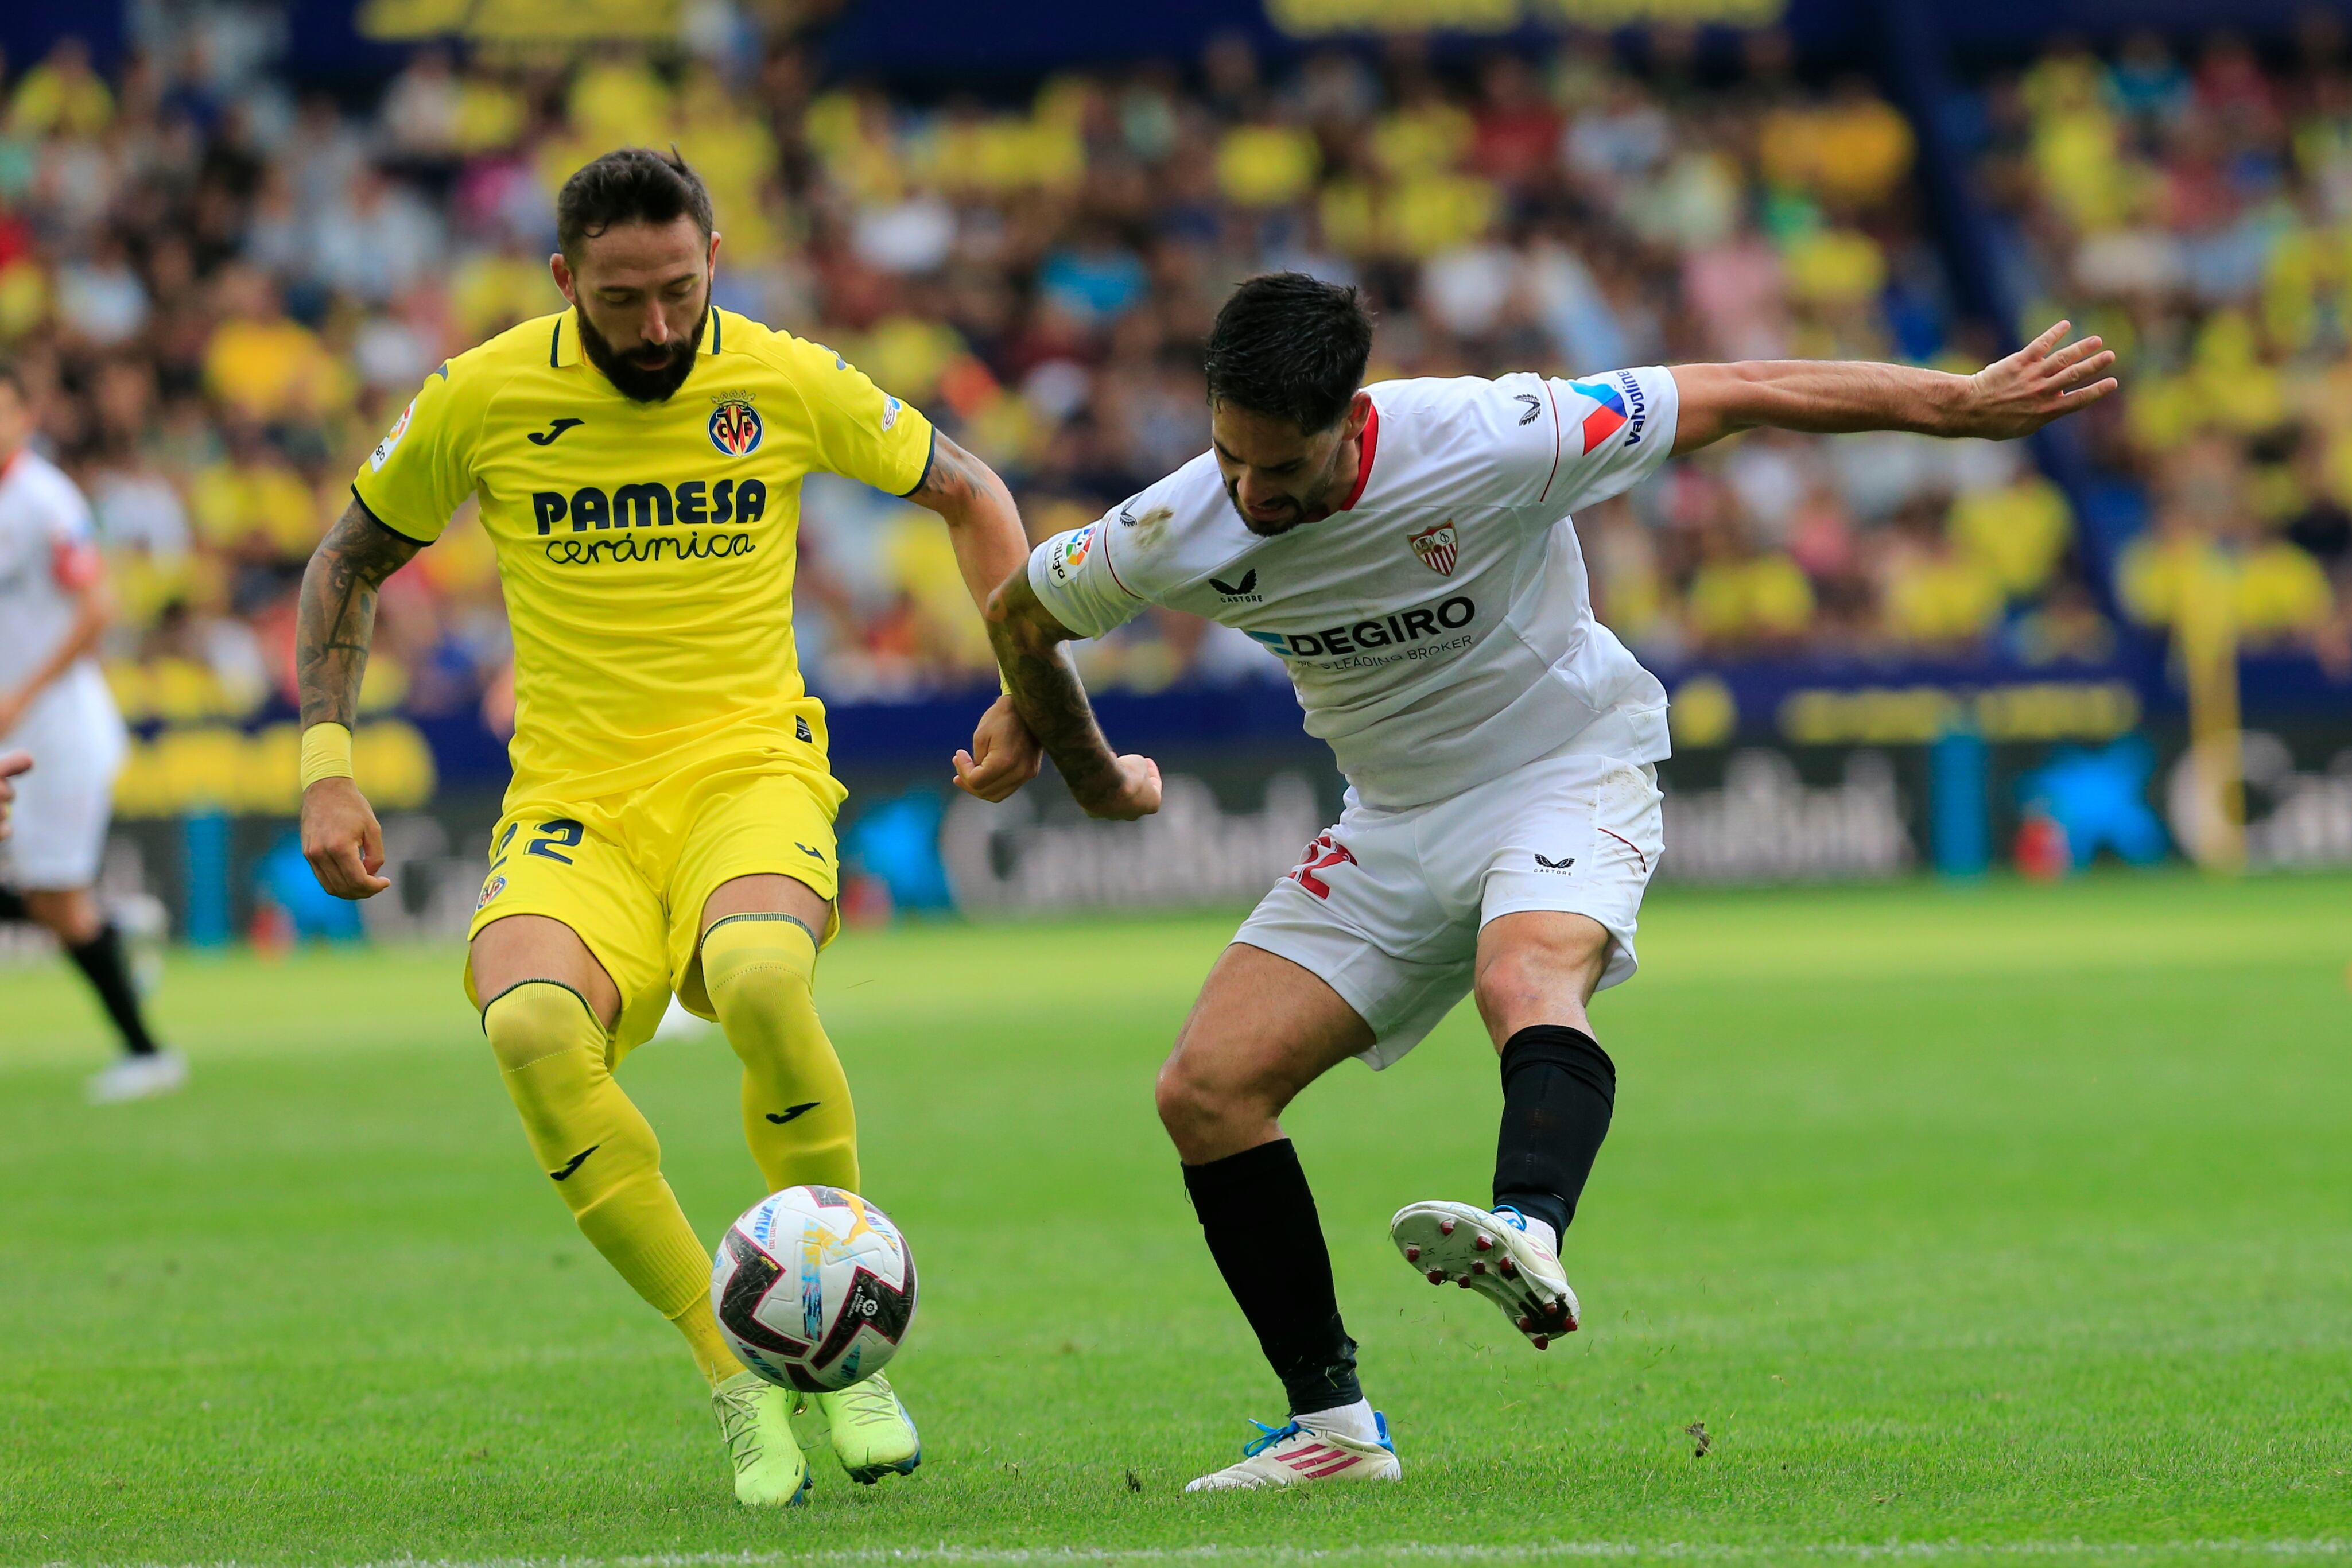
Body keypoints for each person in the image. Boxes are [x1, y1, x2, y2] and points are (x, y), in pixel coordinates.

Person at [983, 273, 2118, 1492]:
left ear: (1351, 421)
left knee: (1519, 971)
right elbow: (1021, 614)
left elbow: (1745, 387)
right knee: (1205, 1091)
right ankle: (1338, 1431)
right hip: (1396, 820)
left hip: (1565, 766)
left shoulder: (1494, 435)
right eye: (1228, 456)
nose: (1251, 493)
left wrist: (1957, 407)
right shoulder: (1178, 522)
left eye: (1280, 468)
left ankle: (1527, 1224)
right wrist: (1083, 765)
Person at [295, 149, 1041, 1508]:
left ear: (716, 265)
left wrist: (1025, 688)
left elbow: (974, 493)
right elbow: (349, 555)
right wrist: (327, 763)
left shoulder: (782, 375)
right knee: (526, 1029)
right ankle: (738, 1367)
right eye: (624, 299)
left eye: (681, 294)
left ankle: (847, 1348)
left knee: (759, 975)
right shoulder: (485, 393)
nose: (656, 328)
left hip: (747, 771)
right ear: (566, 279)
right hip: (575, 802)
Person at [0, 362, 185, 1105]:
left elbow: (98, 607)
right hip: (16, 721)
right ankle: (117, 929)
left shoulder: (45, 500)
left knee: (57, 903)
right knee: (56, 904)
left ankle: (148, 1053)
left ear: (26, 416)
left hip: (58, 731)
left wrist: (21, 695)